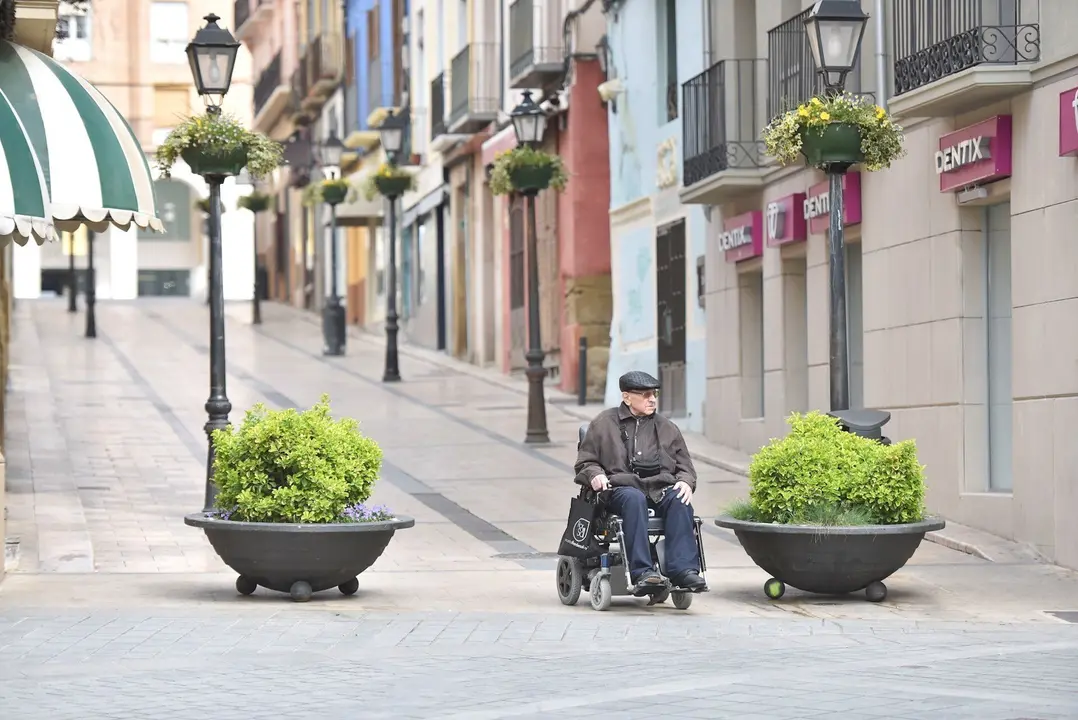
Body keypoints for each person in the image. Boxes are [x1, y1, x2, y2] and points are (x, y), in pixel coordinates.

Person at [573, 370, 707, 596]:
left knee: (680, 499)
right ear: (627, 397)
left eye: (654, 393)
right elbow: (585, 463)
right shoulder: (603, 424)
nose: (652, 399)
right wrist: (595, 474)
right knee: (634, 499)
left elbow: (686, 467)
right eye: (645, 394)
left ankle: (683, 570)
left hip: (659, 487)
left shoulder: (667, 428)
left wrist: (685, 481)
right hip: (619, 488)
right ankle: (643, 572)